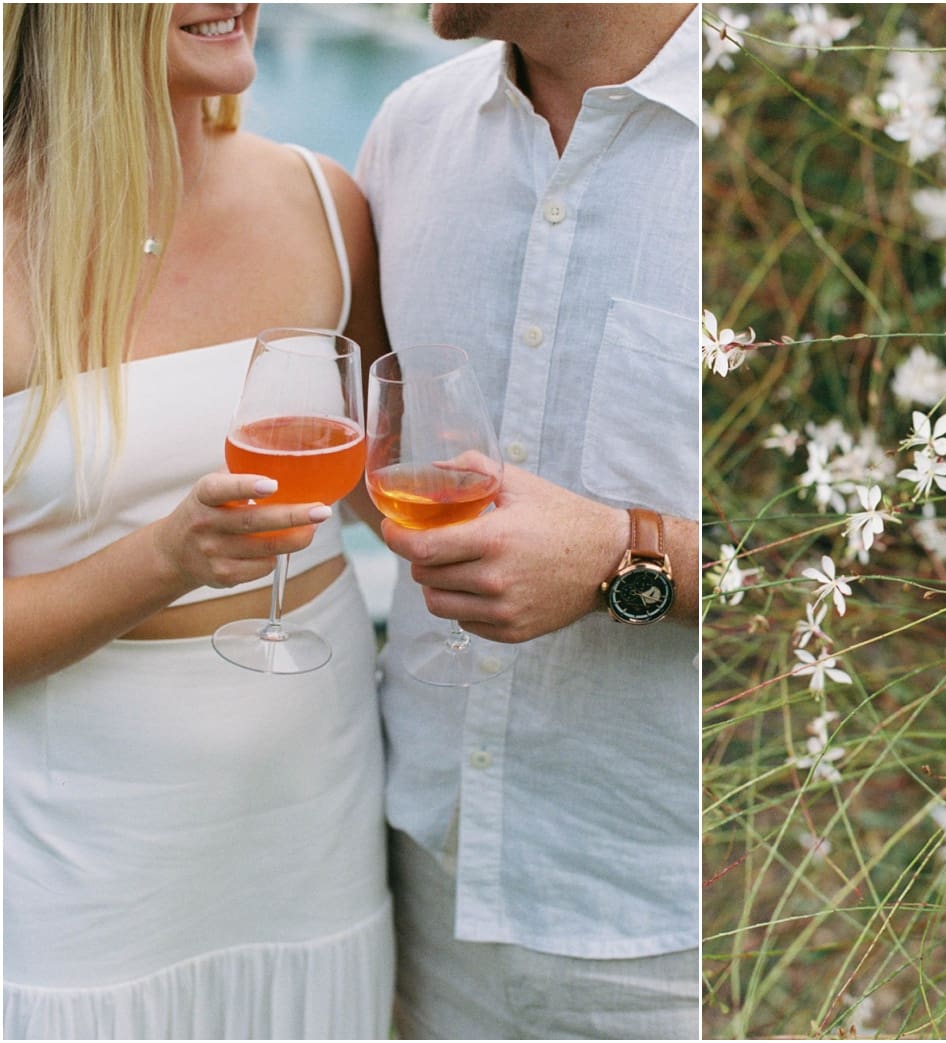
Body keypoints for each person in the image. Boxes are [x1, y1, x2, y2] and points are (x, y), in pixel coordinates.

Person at [2, 4, 393, 1038]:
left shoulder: (326, 200)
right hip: (88, 859)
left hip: (316, 814)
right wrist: (166, 559)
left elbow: (373, 476)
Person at [355, 3, 701, 1038]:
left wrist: (618, 553)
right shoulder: (407, 133)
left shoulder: (803, 165)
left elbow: (902, 570)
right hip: (420, 871)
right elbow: (372, 456)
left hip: (679, 921)